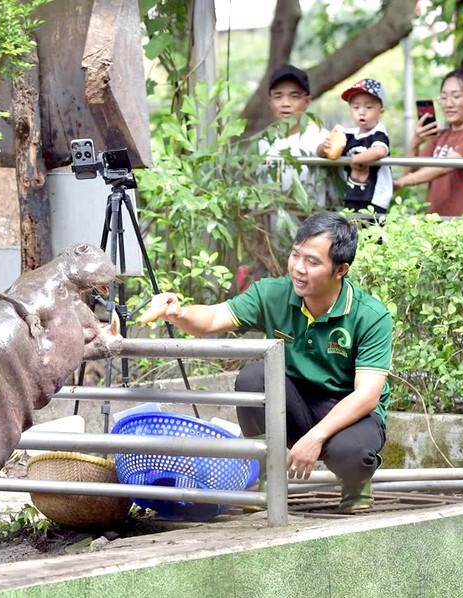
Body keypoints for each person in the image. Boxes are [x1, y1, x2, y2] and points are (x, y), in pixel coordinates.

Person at [148, 212, 393, 512]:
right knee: (253, 378)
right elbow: (212, 318)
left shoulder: (371, 315)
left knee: (352, 452)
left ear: (340, 269)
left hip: (348, 412)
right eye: (295, 255)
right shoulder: (272, 294)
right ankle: (268, 473)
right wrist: (180, 313)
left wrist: (316, 436)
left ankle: (356, 486)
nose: (299, 269)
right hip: (292, 403)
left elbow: (367, 395)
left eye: (313, 262)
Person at [393, 68, 463, 217]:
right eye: (443, 97)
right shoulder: (440, 136)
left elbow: (445, 166)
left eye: (456, 96)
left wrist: (401, 182)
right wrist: (415, 143)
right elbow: (413, 172)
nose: (448, 104)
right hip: (435, 224)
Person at [317, 78, 392, 214]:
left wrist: (356, 159)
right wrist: (324, 147)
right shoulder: (348, 135)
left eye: (368, 107)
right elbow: (323, 152)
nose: (361, 112)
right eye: (356, 107)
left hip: (375, 199)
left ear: (381, 112)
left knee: (373, 232)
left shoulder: (378, 133)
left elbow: (380, 151)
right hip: (351, 195)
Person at [258, 64, 329, 201]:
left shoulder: (323, 139)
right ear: (270, 102)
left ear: (307, 101)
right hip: (273, 219)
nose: (286, 103)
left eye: (294, 96)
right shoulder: (263, 142)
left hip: (314, 218)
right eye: (278, 96)